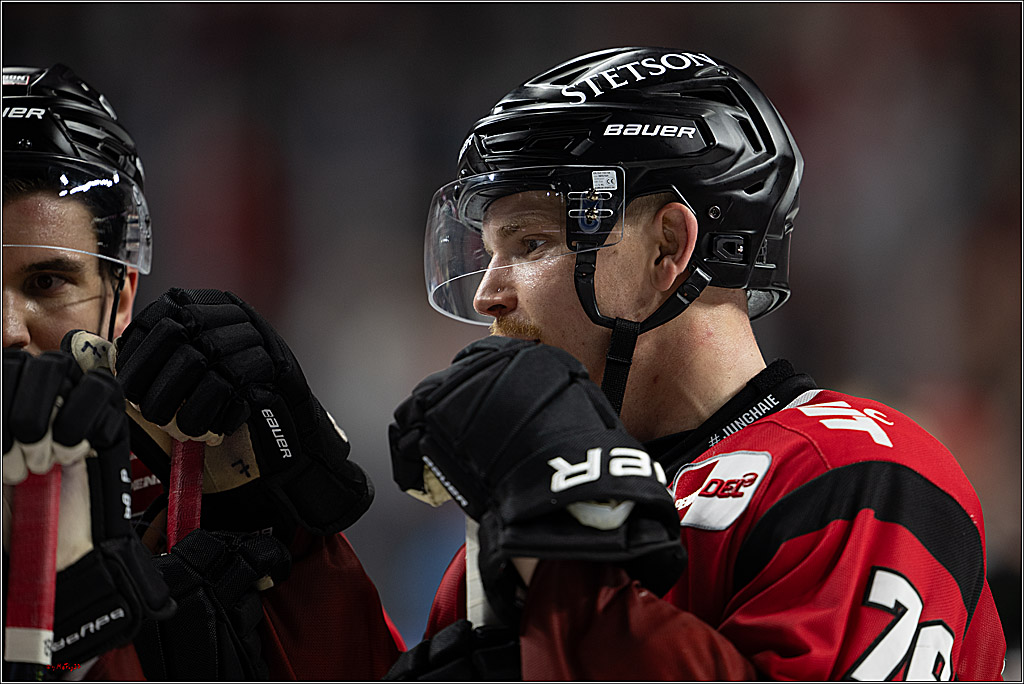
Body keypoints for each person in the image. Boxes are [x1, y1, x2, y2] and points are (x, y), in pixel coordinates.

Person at [386, 47, 1007, 680]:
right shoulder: (523, 513)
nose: (489, 292)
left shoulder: (861, 473)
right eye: (491, 252)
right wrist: (304, 557)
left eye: (531, 242)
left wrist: (565, 567)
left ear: (667, 248)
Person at [3, 63, 402, 680]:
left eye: (48, 282)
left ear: (122, 296)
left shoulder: (197, 489)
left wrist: (293, 545)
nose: (9, 330)